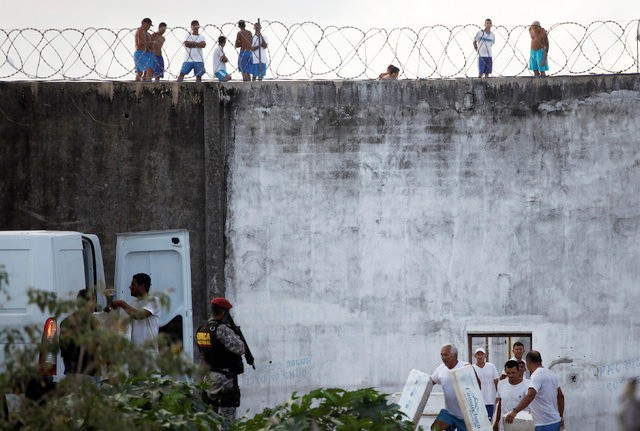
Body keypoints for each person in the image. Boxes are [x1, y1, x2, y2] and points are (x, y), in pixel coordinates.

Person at [196, 297, 246, 428]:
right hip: (225, 380)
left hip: (209, 379)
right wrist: (235, 334)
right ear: (223, 312)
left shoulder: (202, 329)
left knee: (211, 419)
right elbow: (240, 348)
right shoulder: (222, 329)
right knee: (226, 421)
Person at [505, 350, 564, 431]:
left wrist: (515, 411)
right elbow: (560, 396)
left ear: (528, 362)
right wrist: (561, 416)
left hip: (544, 424)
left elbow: (530, 395)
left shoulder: (536, 375)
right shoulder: (552, 374)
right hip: (555, 421)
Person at [109, 273, 161, 353]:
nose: (130, 287)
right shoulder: (133, 304)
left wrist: (122, 304)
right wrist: (109, 308)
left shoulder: (154, 301)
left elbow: (139, 315)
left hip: (149, 353)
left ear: (142, 286)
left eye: (133, 284)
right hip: (135, 354)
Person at [430, 343, 471, 431]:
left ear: (454, 355)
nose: (443, 358)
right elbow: (430, 383)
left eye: (446, 355)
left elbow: (477, 385)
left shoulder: (465, 367)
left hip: (465, 416)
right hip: (449, 412)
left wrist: (471, 372)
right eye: (441, 355)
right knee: (435, 429)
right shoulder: (440, 369)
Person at [59, 289, 99, 375]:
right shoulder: (93, 323)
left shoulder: (65, 322)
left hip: (71, 371)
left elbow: (63, 349)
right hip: (88, 372)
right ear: (92, 299)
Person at [493, 360, 530, 431]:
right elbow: (499, 405)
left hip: (521, 426)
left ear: (518, 371)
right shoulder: (501, 384)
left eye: (513, 373)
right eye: (508, 373)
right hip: (504, 426)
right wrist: (496, 422)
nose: (510, 376)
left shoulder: (527, 385)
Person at [473, 347, 499, 421]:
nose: (480, 356)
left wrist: (498, 395)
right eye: (478, 354)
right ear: (475, 356)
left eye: (482, 354)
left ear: (485, 355)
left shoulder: (491, 366)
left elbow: (497, 381)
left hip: (490, 400)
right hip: (477, 402)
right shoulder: (472, 368)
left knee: (489, 421)